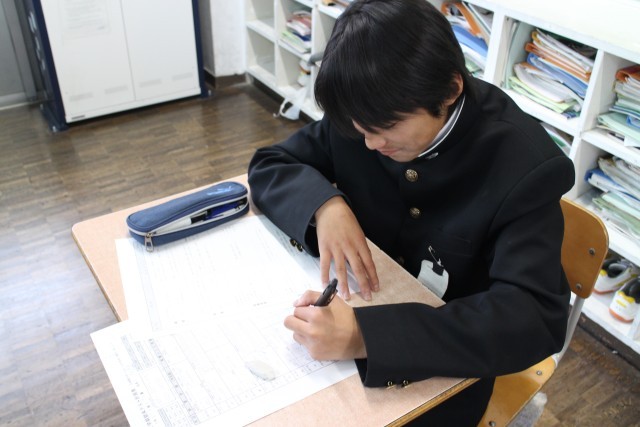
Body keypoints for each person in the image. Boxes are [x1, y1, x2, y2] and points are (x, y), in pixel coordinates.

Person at [248, 0, 575, 424]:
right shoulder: (368, 111)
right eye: (360, 129)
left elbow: (533, 319)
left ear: (450, 91)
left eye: (385, 129)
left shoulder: (522, 165)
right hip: (352, 320)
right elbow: (270, 164)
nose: (369, 144)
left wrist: (365, 336)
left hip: (442, 371)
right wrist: (326, 206)